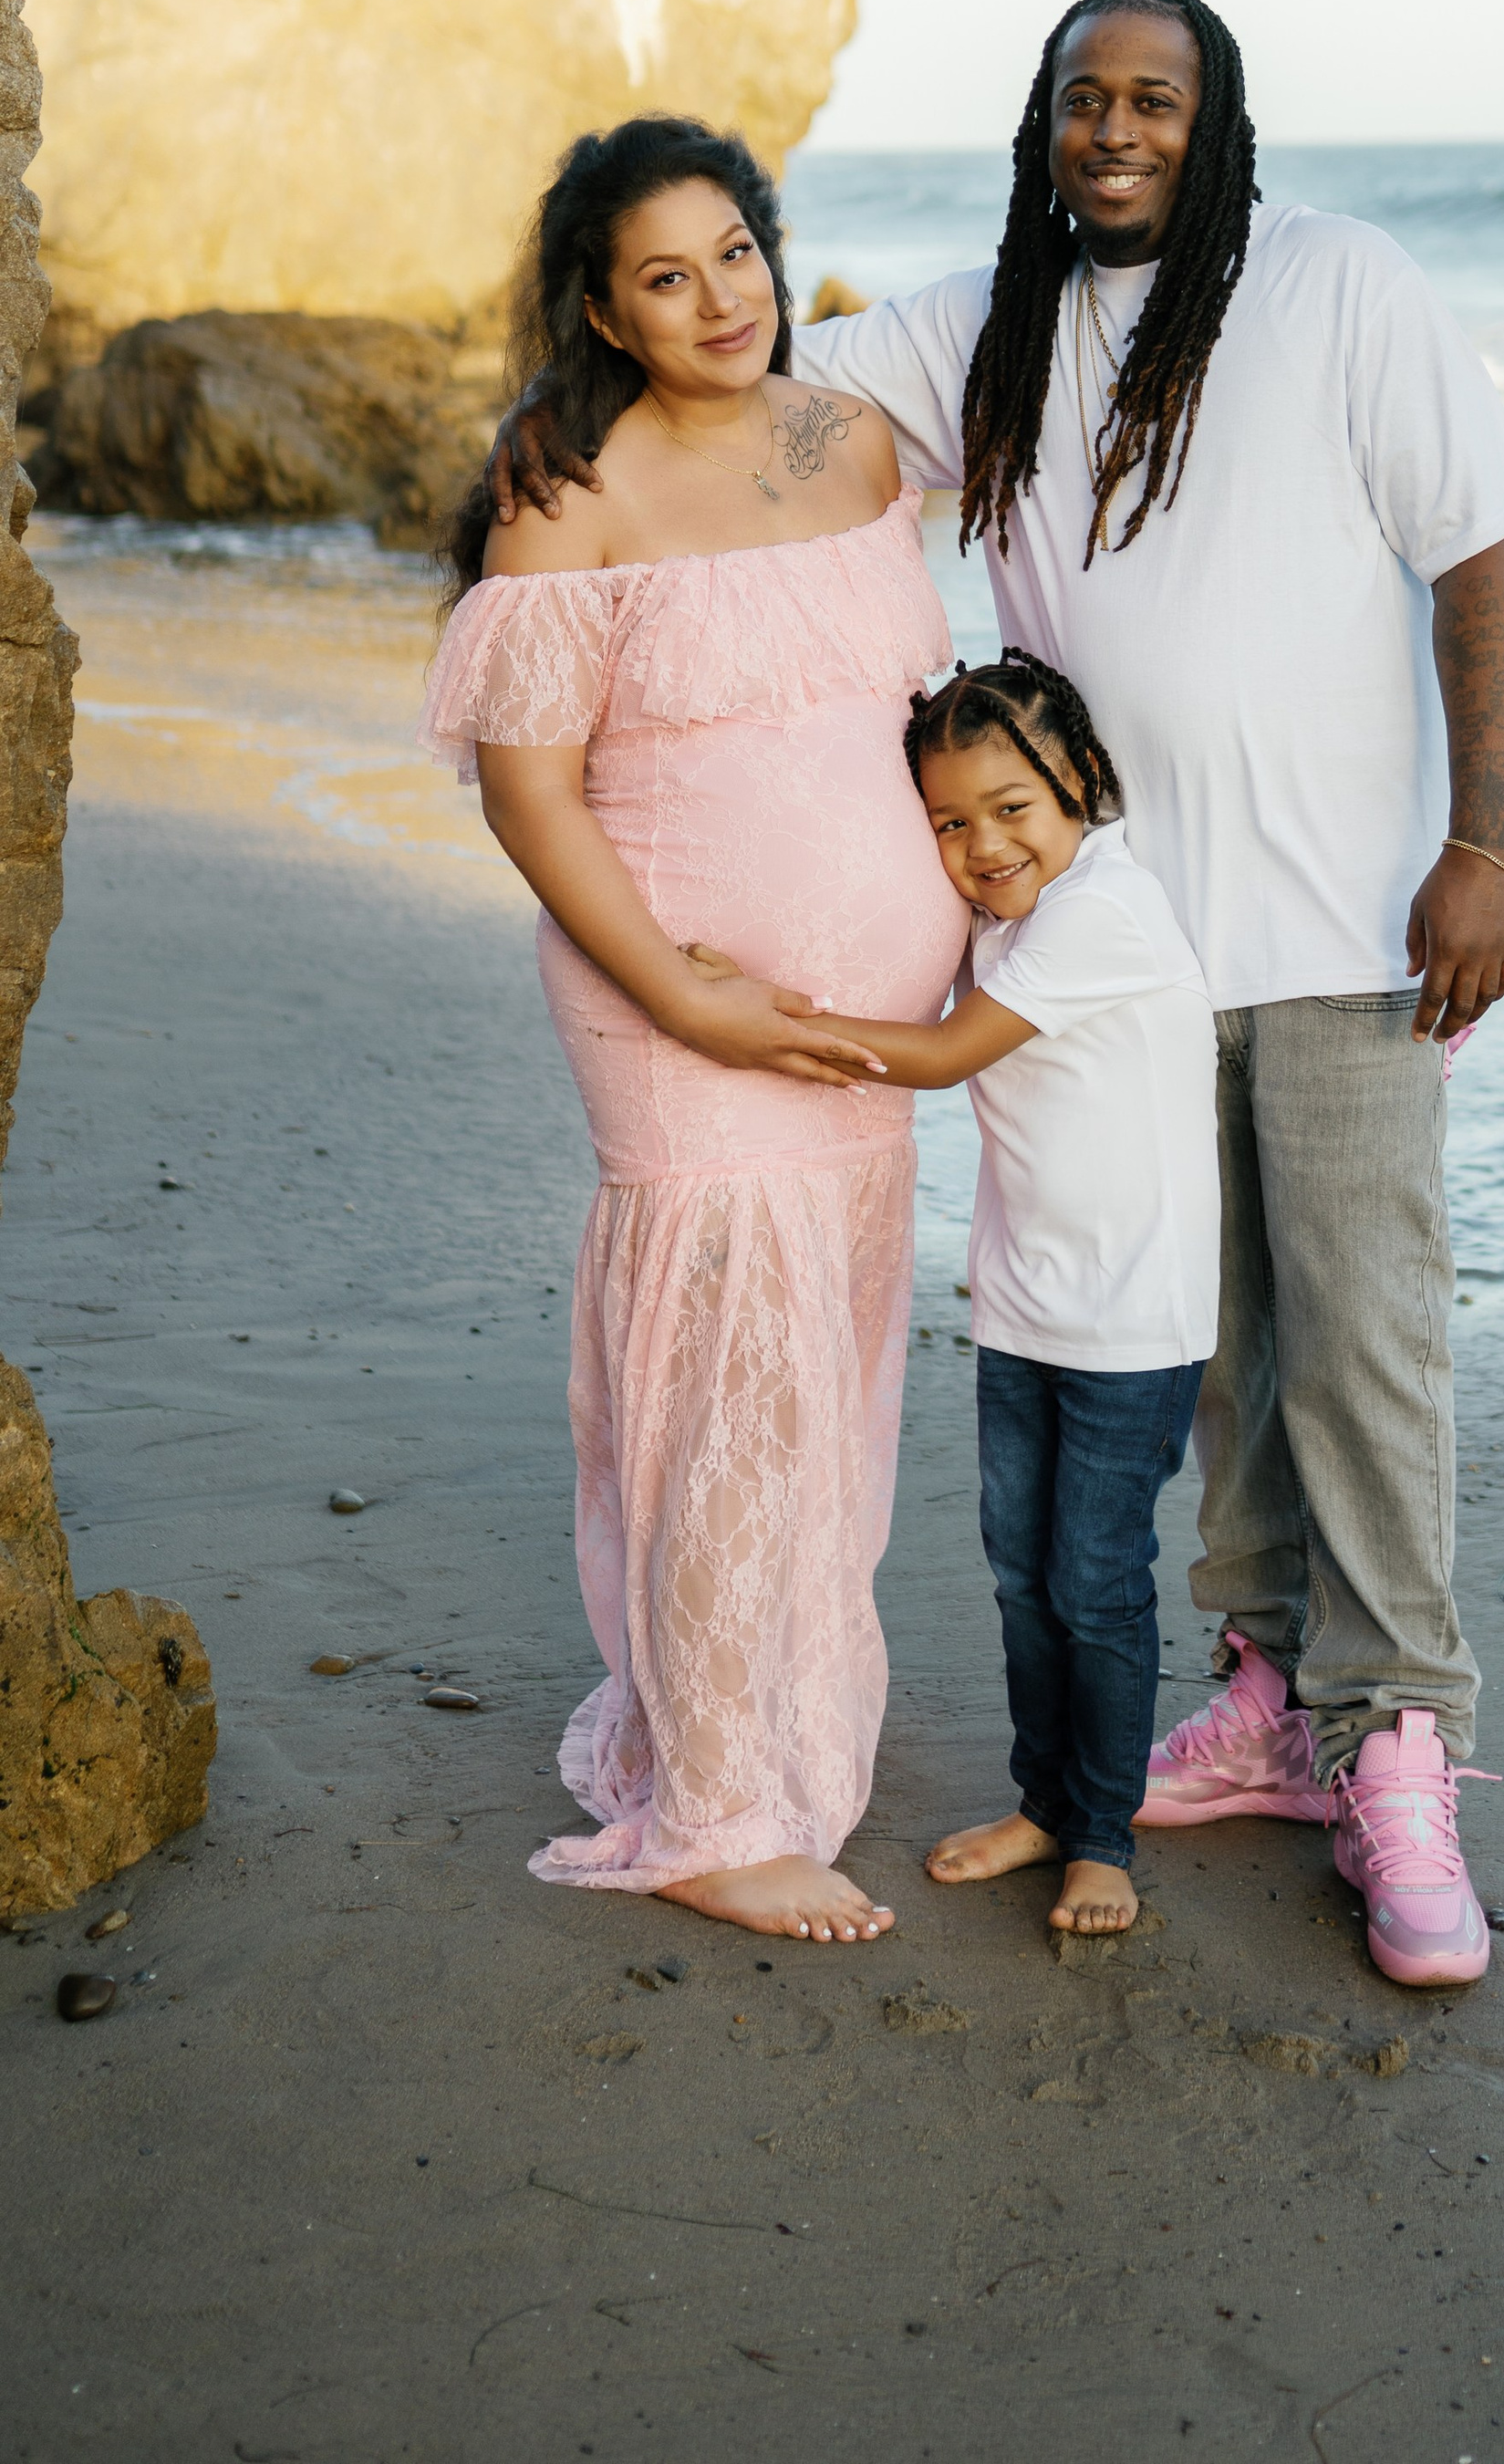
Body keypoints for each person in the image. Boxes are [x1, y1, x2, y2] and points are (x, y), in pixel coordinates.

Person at [493, 0, 1504, 1988]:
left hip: (1336, 931)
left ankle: (1397, 1746)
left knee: (1360, 1339)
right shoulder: (977, 327)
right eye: (1084, 100)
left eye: (1156, 99)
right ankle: (1255, 1703)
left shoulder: (1341, 285)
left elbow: (1477, 561)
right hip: (1090, 948)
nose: (1116, 131)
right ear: (1040, 126)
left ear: (1215, 119)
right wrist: (564, 425)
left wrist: (1479, 846)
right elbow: (747, 397)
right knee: (1201, 1336)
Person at [429, 114, 969, 1943]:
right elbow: (532, 797)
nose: (719, 297)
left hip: (863, 1039)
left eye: (735, 251)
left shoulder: (857, 445)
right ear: (602, 306)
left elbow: (899, 714)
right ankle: (720, 1815)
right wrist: (684, 988)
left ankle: (757, 1728)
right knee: (723, 1379)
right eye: (665, 275)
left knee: (824, 1381)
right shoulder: (566, 485)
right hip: (671, 1004)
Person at [700, 649, 1219, 1939]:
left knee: (1096, 1579)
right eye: (948, 821)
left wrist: (759, 1013)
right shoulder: (1008, 915)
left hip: (1133, 1320)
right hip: (1023, 1303)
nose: (982, 845)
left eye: (1012, 809)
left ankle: (1102, 1838)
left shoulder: (1103, 909)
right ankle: (1046, 1805)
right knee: (1019, 1574)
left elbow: (929, 1055)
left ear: (1084, 786)